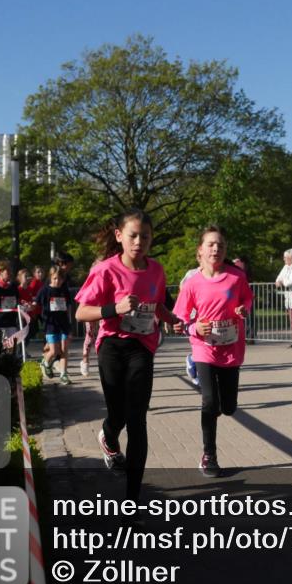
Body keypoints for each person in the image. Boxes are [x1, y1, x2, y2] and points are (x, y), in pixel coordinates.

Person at [74, 209, 183, 504]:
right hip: (112, 346)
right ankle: (108, 435)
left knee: (137, 420)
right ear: (119, 236)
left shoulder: (156, 270)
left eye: (145, 237)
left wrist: (171, 319)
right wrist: (115, 309)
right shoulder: (105, 270)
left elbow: (157, 304)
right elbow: (81, 312)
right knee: (118, 414)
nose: (139, 242)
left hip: (142, 347)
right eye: (133, 236)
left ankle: (132, 500)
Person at [173, 226, 253, 478]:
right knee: (209, 403)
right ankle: (209, 455)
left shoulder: (236, 277)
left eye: (220, 245)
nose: (216, 248)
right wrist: (194, 327)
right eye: (211, 244)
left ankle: (217, 401)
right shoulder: (192, 283)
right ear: (200, 250)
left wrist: (244, 309)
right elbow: (179, 319)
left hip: (231, 348)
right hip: (204, 348)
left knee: (228, 408)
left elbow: (247, 299)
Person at [34, 265, 73, 384]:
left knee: (64, 350)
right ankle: (45, 363)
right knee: (54, 351)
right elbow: (36, 303)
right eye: (55, 278)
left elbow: (68, 307)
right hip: (51, 325)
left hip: (64, 324)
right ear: (50, 278)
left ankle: (63, 374)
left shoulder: (64, 290)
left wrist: (69, 324)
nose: (57, 281)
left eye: (60, 279)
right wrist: (29, 306)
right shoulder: (45, 290)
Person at [78, 258, 102, 378]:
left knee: (102, 334)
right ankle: (85, 360)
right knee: (90, 334)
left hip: (103, 311)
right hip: (91, 310)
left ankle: (103, 361)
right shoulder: (89, 283)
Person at [17, 267, 42, 350]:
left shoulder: (29, 289)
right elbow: (17, 302)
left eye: (28, 276)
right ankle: (20, 350)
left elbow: (32, 300)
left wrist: (33, 310)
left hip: (30, 314)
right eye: (25, 276)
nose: (27, 278)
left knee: (34, 330)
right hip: (22, 316)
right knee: (23, 333)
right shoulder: (18, 289)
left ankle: (22, 349)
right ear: (20, 278)